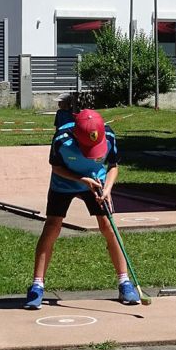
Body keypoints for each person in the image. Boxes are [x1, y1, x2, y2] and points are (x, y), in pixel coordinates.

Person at [24, 109, 140, 309]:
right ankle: (37, 286)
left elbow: (113, 165)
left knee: (108, 227)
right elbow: (56, 167)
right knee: (52, 226)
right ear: (77, 137)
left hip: (97, 182)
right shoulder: (61, 138)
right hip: (64, 182)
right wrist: (81, 180)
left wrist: (108, 188)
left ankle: (124, 282)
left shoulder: (109, 135)